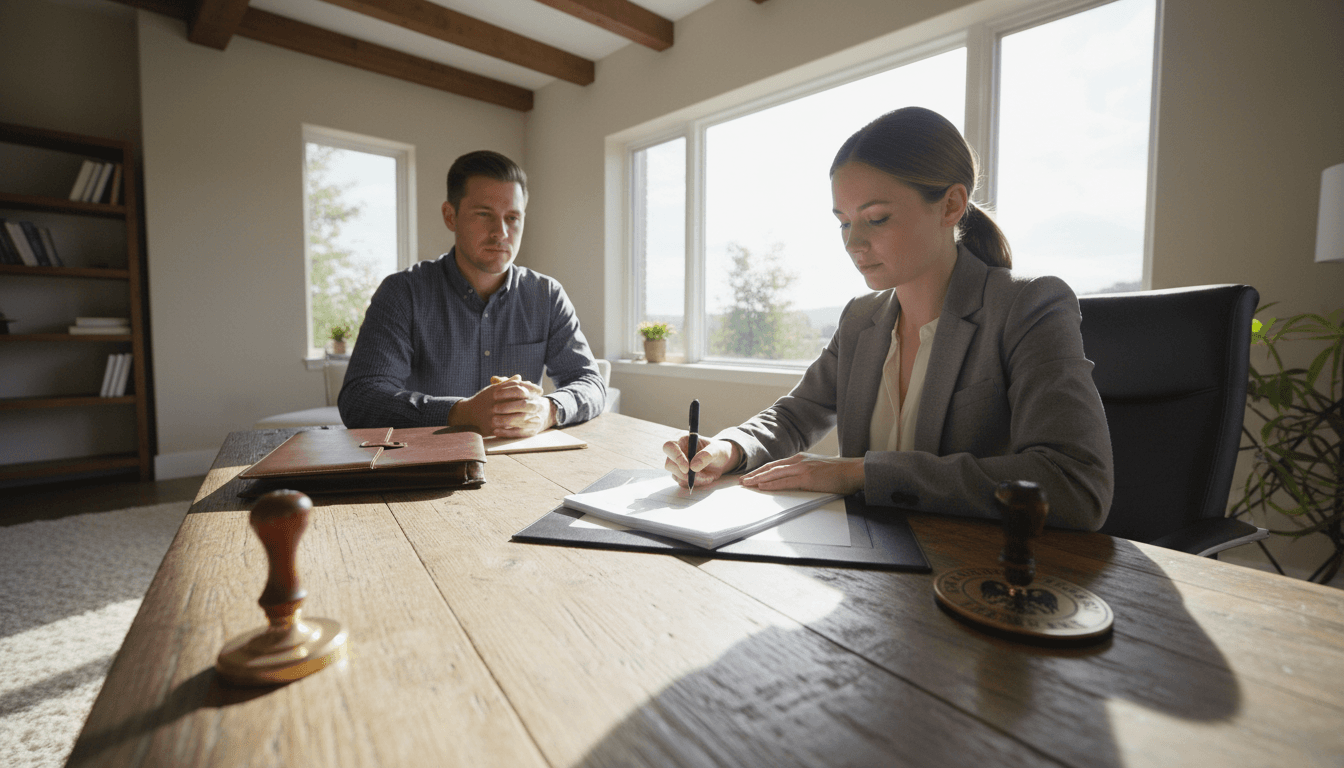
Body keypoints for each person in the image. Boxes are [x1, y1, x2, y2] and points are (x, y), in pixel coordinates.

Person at [663, 107, 1113, 531]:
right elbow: (798, 415)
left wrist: (861, 473)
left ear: (952, 204)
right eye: (843, 222)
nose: (853, 243)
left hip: (971, 574)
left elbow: (1076, 483)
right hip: (865, 566)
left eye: (876, 218)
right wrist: (728, 448)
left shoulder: (1027, 306)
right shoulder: (861, 318)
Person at [339, 150, 606, 436]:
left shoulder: (547, 296)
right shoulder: (403, 293)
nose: (501, 232)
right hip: (430, 466)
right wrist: (460, 413)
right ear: (450, 216)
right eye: (484, 214)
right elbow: (360, 398)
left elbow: (590, 383)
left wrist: (549, 410)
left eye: (513, 218)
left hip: (524, 462)